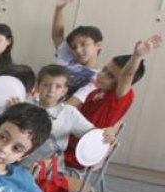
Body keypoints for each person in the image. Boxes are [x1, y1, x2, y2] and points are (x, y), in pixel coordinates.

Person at [64, 35, 161, 169]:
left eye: (110, 76)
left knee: (39, 152)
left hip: (81, 151)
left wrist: (137, 56)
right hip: (71, 141)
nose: (101, 75)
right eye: (104, 70)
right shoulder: (95, 92)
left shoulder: (117, 98)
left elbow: (126, 76)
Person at [24, 65, 104, 165]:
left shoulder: (69, 112)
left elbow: (91, 133)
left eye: (58, 86)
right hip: (23, 160)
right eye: (46, 85)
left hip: (51, 166)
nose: (51, 90)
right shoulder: (26, 105)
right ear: (38, 87)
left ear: (64, 91)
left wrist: (105, 135)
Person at [50, 0, 104, 104]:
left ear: (98, 45)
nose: (78, 50)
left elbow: (75, 103)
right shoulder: (68, 60)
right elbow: (58, 35)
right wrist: (59, 9)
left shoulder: (99, 77)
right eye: (74, 47)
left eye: (84, 44)